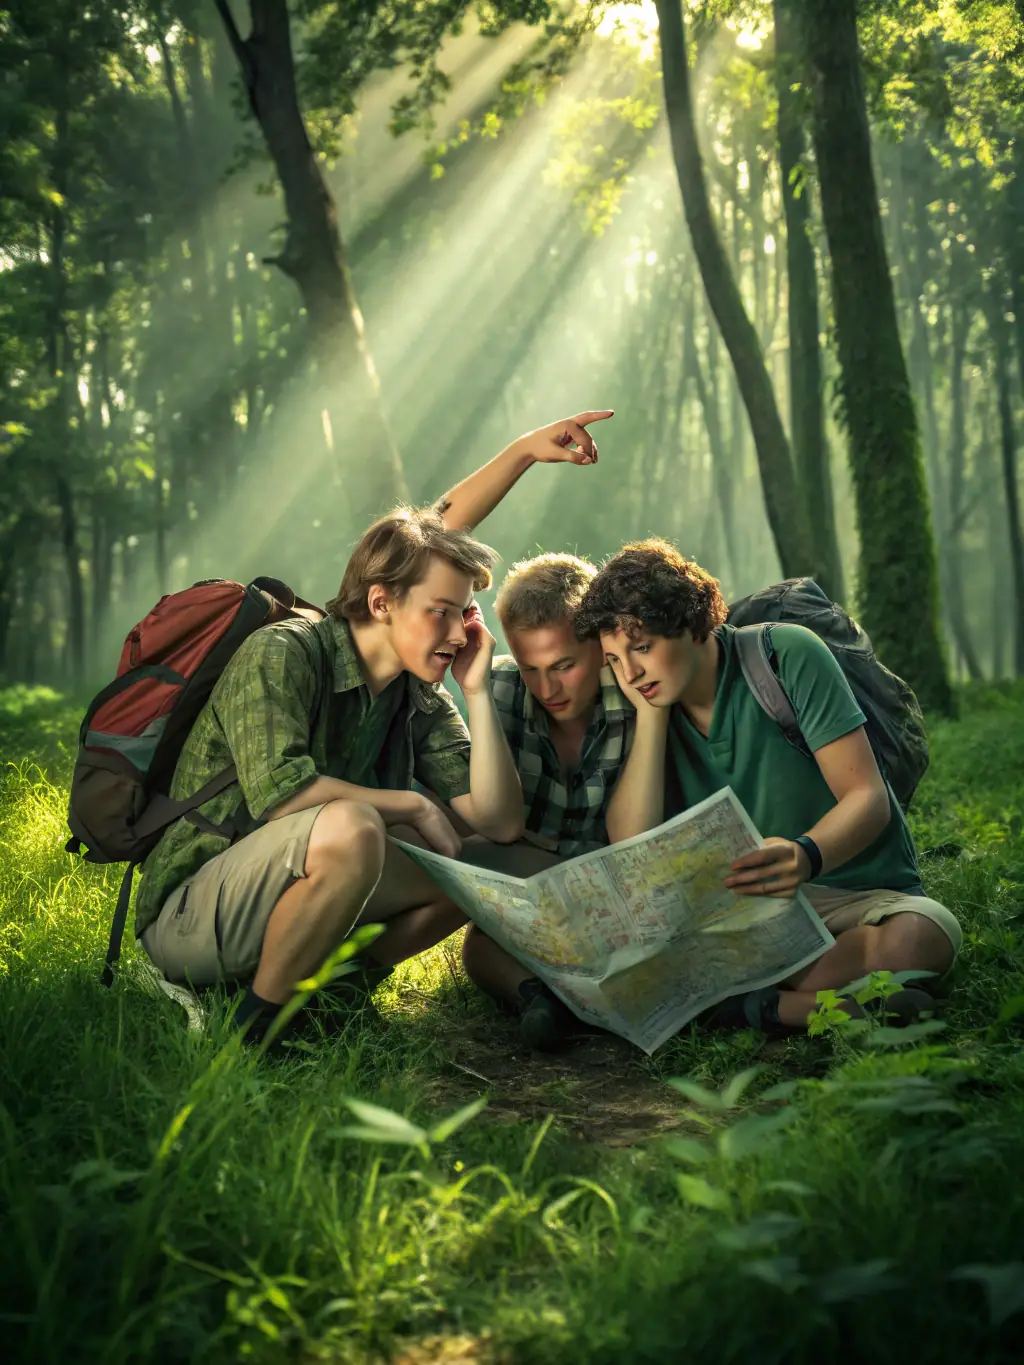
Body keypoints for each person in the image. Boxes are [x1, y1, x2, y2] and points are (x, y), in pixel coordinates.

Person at [135, 508, 525, 1045]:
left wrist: (477, 689)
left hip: (288, 896)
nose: (459, 634)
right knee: (356, 828)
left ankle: (330, 1002)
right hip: (189, 919)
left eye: (464, 614)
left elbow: (500, 822)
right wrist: (412, 805)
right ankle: (258, 1033)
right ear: (381, 602)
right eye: (441, 612)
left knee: (472, 870)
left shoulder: (415, 694)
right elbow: (282, 795)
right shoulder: (284, 652)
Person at [573, 538, 962, 1035]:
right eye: (613, 659)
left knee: (921, 938)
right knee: (629, 958)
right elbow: (631, 845)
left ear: (693, 627)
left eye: (642, 648)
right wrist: (650, 718)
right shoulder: (641, 699)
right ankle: (816, 1006)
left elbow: (868, 798)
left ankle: (757, 1004)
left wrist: (805, 856)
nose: (630, 672)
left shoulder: (784, 655)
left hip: (857, 896)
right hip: (744, 920)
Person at [437, 410, 634, 1049]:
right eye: (531, 668)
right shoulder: (494, 690)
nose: (546, 688)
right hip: (532, 895)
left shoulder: (636, 693)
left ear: (598, 647)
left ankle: (589, 993)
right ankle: (540, 999)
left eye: (564, 666)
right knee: (481, 948)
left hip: (620, 894)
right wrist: (522, 449)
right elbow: (435, 538)